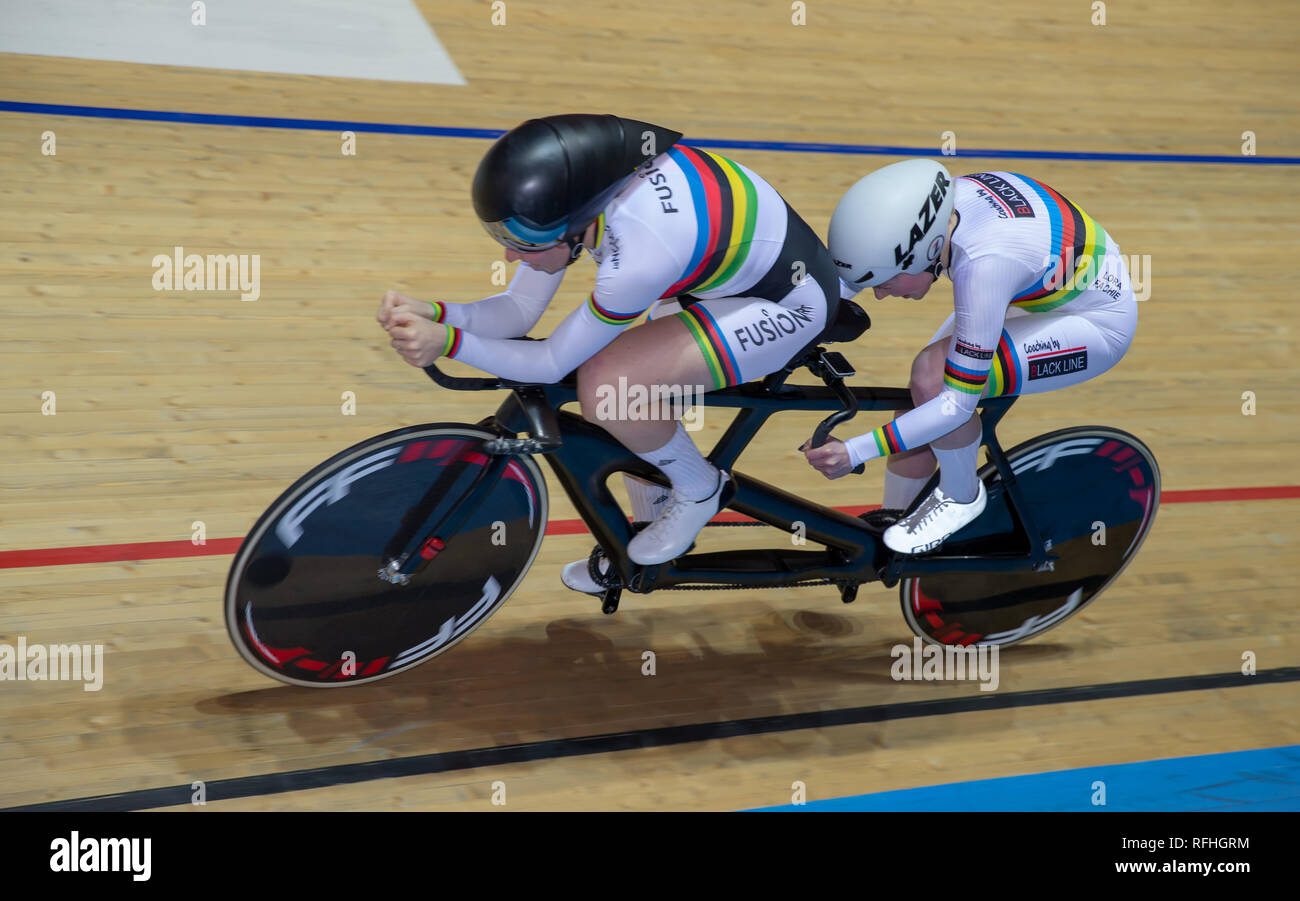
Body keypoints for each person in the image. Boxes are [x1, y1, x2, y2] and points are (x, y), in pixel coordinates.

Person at [377, 114, 841, 591]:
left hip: (786, 304)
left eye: (523, 243)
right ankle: (649, 520)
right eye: (503, 239)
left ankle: (700, 488)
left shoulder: (638, 259)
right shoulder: (587, 197)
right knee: (625, 380)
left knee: (609, 390)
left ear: (577, 222)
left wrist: (448, 343)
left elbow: (551, 362)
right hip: (716, 276)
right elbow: (518, 312)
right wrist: (436, 313)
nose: (511, 257)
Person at [803, 160, 1137, 554]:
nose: (878, 293)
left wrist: (854, 452)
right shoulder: (927, 210)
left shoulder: (985, 266)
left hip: (1092, 321)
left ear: (925, 251)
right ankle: (886, 536)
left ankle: (961, 496)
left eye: (887, 280)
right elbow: (845, 281)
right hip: (1034, 283)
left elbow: (955, 407)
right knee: (917, 407)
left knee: (933, 380)